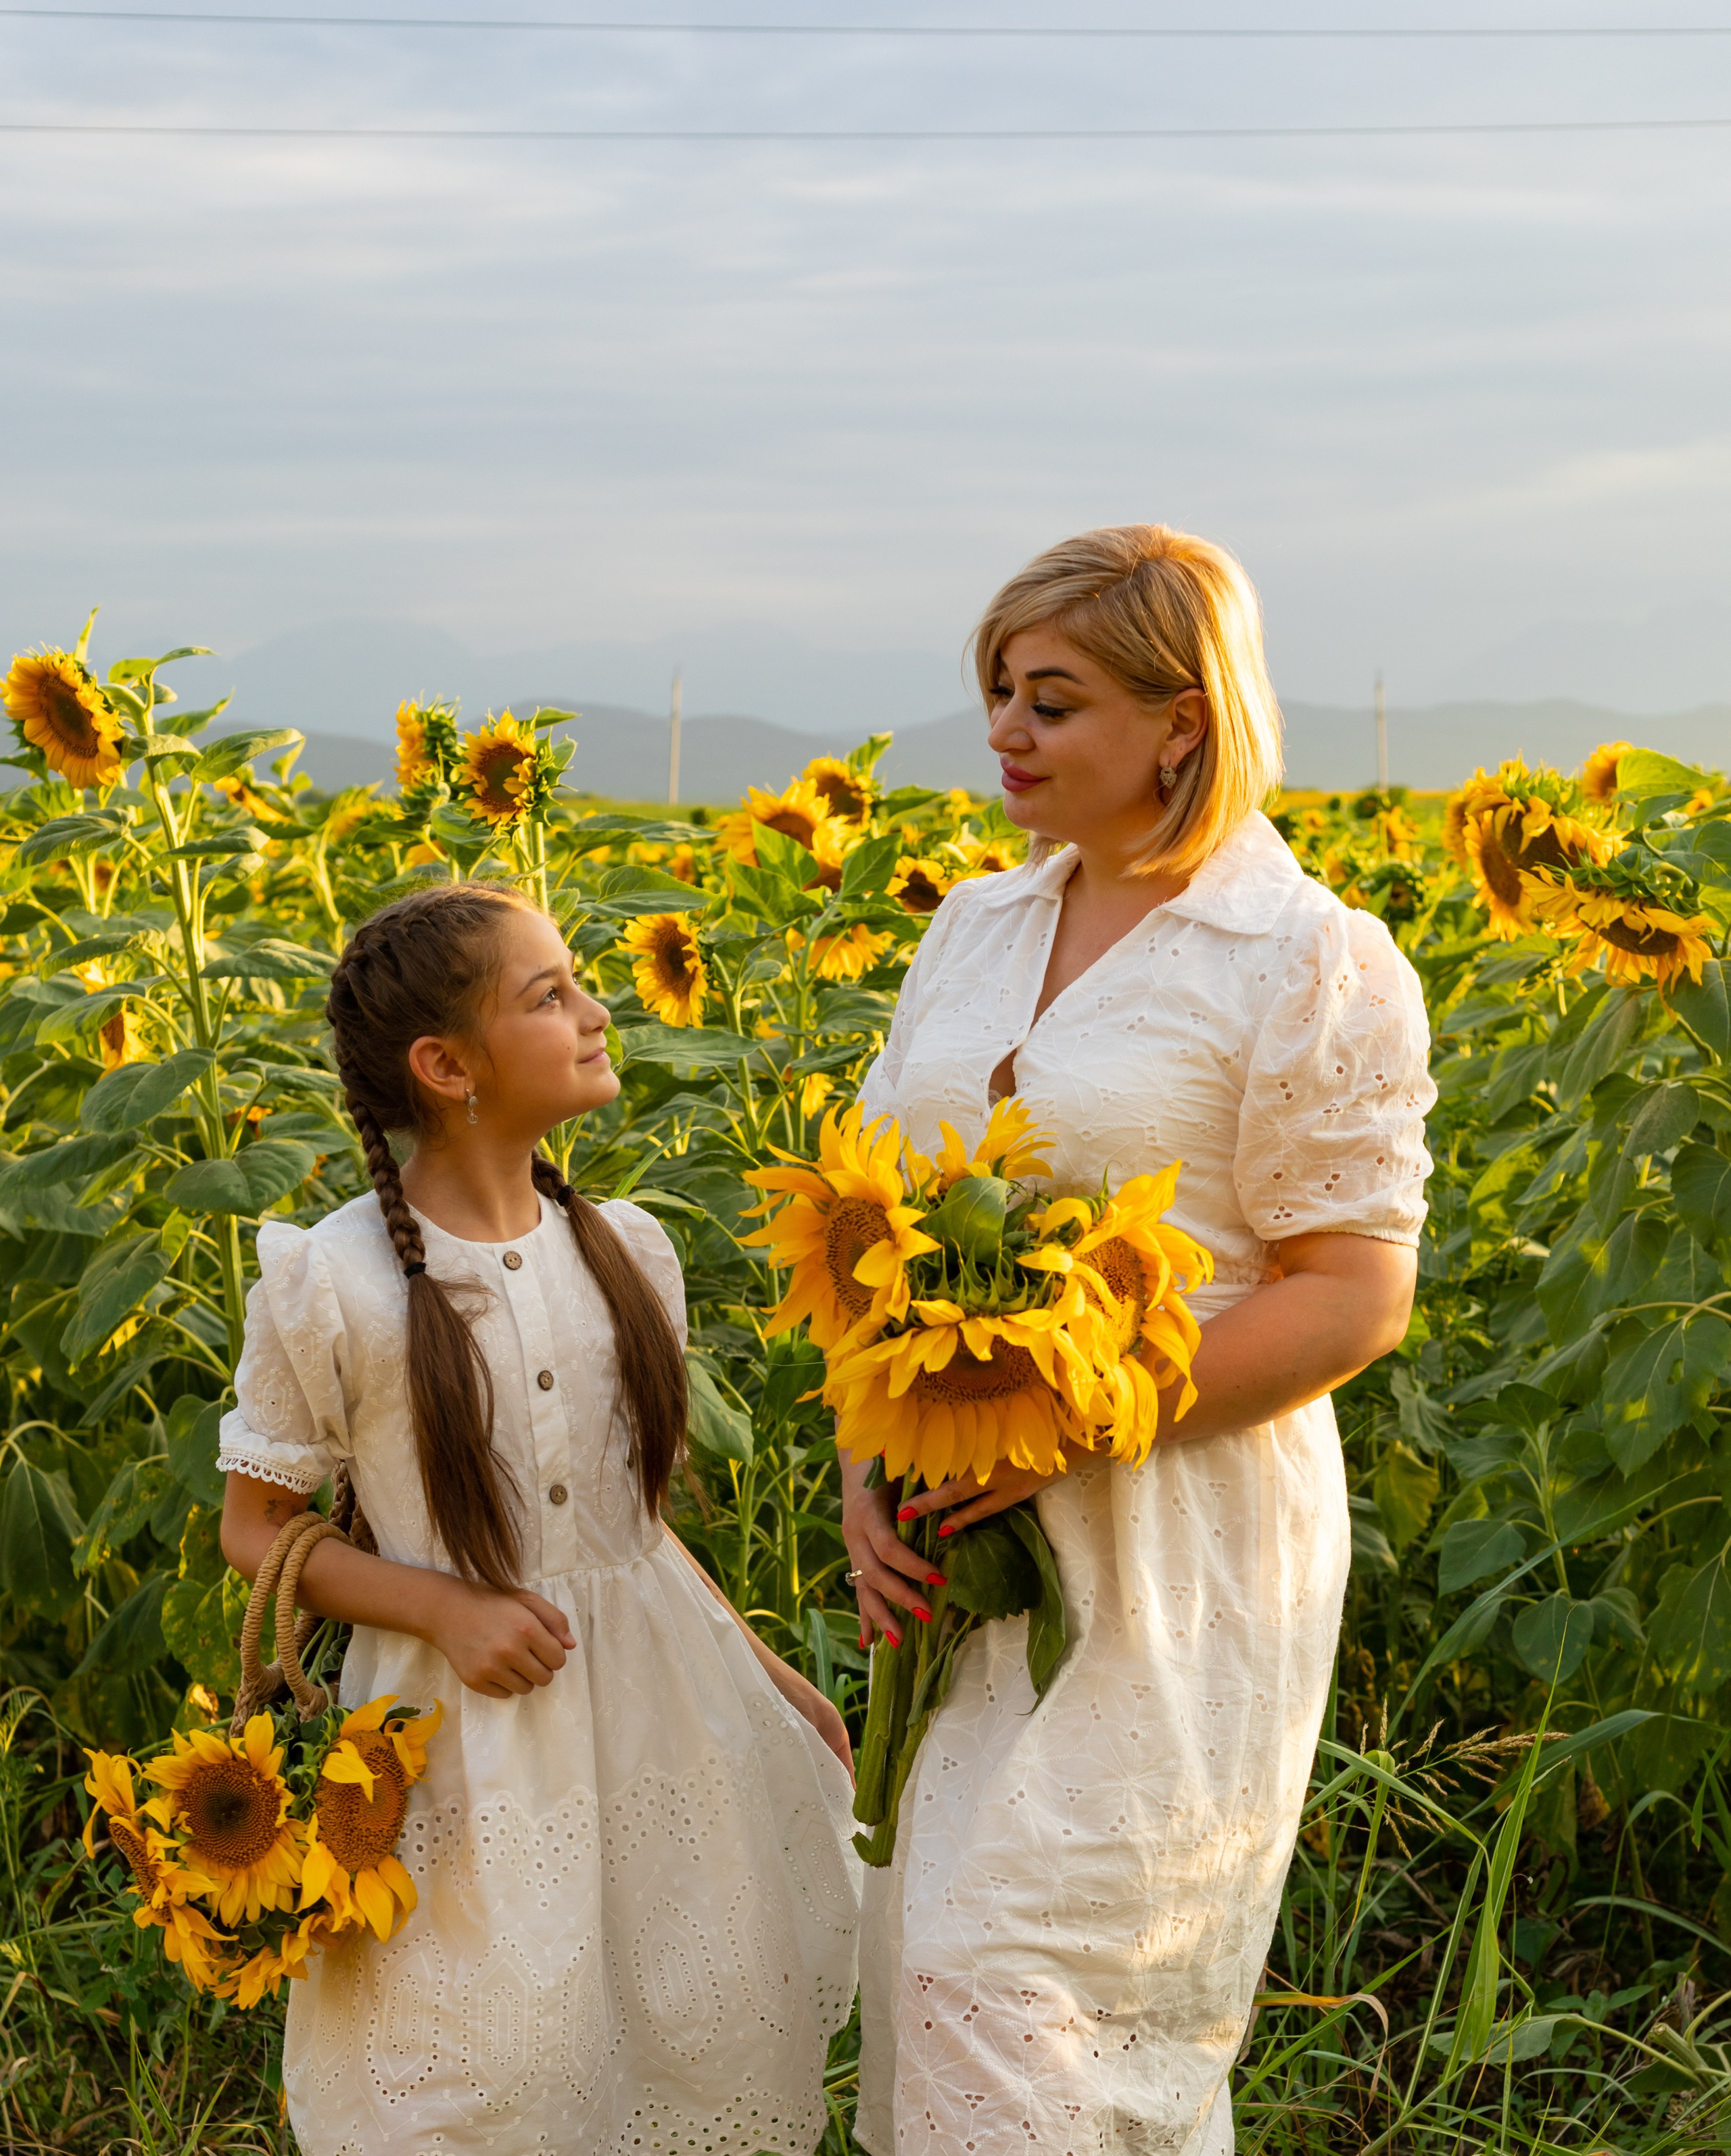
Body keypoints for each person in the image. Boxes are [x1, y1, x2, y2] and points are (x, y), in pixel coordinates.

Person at [842, 525, 1436, 2155]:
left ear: (1182, 718)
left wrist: (1062, 1418)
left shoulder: (1305, 957)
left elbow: (1347, 1290)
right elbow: (877, 1227)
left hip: (1177, 1534)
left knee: (1037, 1990)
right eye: (995, 694)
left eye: (1051, 698)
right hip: (956, 1533)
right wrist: (866, 1462)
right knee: (927, 1962)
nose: (1005, 734)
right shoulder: (969, 924)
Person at [218, 882, 858, 2155]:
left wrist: (770, 1670)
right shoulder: (332, 1281)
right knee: (481, 2056)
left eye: (579, 980)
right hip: (461, 1738)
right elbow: (256, 1526)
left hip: (661, 1708)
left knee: (682, 2014)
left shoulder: (628, 1250)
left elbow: (636, 1526)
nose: (596, 1007)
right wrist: (445, 1606)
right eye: (550, 994)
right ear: (447, 1065)